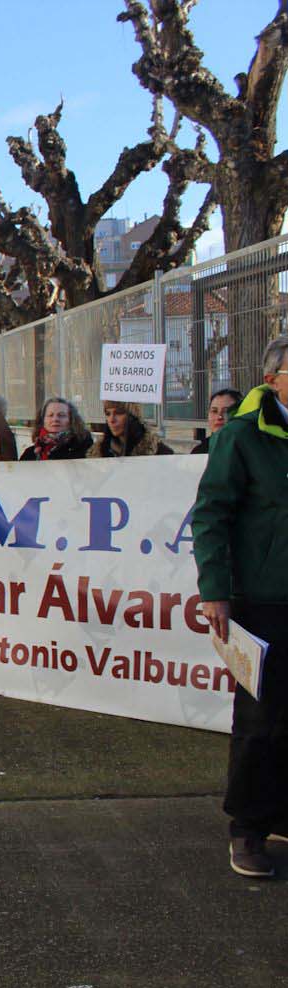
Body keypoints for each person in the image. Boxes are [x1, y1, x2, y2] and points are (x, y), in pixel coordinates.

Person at [191, 336, 288, 878]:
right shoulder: (244, 437)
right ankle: (247, 828)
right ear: (273, 379)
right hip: (263, 598)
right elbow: (211, 515)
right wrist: (215, 591)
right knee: (260, 719)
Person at [89, 400, 173, 457]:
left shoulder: (158, 452)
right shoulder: (98, 453)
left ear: (133, 416)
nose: (111, 420)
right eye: (108, 414)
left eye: (118, 413)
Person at [19, 398, 93, 461]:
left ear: (72, 420)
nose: (55, 419)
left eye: (61, 415)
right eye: (50, 415)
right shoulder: (30, 454)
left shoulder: (84, 449)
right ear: (43, 420)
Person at [194, 388, 243, 455]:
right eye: (214, 411)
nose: (219, 417)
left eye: (226, 411)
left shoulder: (248, 450)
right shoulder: (199, 452)